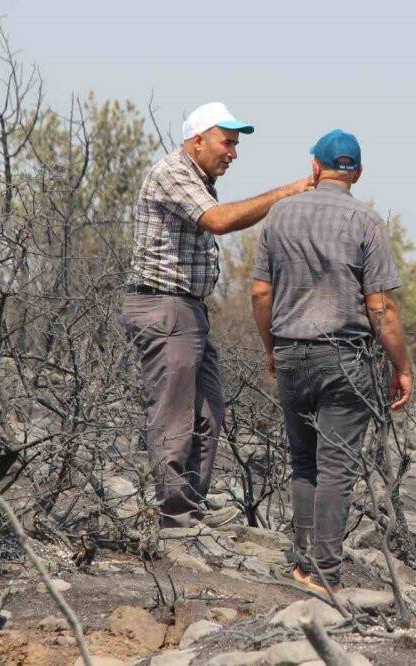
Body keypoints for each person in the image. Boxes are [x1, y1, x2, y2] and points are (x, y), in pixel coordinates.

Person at [121, 102, 311, 529]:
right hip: (165, 307)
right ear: (197, 140)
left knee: (208, 414)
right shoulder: (173, 173)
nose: (233, 153)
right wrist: (291, 191)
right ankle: (175, 518)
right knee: (176, 415)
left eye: (235, 144)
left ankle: (188, 506)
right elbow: (220, 222)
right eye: (228, 142)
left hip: (187, 310)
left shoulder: (197, 179)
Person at [250, 129, 412, 592]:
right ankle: (325, 575)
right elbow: (381, 308)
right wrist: (402, 367)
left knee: (304, 460)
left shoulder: (279, 215)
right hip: (346, 357)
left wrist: (271, 349)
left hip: (291, 351)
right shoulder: (368, 222)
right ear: (357, 172)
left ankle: (303, 565)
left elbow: (261, 293)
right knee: (337, 466)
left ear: (315, 167)